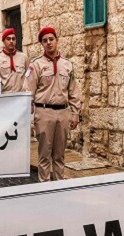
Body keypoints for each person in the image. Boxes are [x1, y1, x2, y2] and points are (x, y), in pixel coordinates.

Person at [25, 26, 81, 182]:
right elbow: (28, 90)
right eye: (44, 41)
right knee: (44, 155)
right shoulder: (35, 65)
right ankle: (45, 186)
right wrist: (29, 112)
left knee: (60, 154)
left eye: (51, 39)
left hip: (63, 113)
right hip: (44, 113)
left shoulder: (67, 65)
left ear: (57, 40)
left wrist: (75, 113)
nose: (48, 43)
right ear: (42, 44)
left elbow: (74, 91)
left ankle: (60, 186)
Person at [0, 27, 28, 93]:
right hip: (5, 97)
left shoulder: (24, 57)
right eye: (8, 39)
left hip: (21, 96)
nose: (11, 41)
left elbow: (29, 78)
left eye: (13, 39)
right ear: (3, 41)